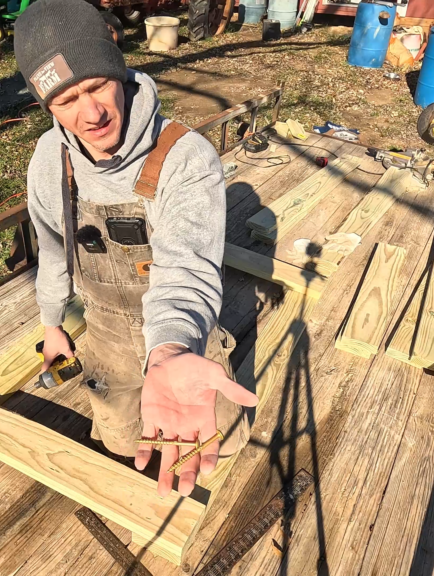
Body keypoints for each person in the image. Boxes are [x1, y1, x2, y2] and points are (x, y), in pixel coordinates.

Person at [14, 0, 256, 498]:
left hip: (184, 342)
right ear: (46, 106)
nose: (92, 112)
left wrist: (168, 351)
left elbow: (186, 269)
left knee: (208, 449)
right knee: (125, 443)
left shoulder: (184, 157)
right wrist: (52, 325)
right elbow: (54, 251)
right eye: (65, 100)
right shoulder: (48, 161)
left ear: (119, 69)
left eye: (98, 85)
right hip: (104, 341)